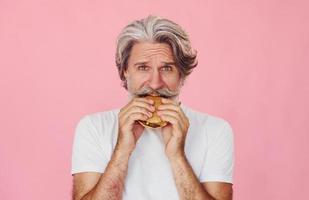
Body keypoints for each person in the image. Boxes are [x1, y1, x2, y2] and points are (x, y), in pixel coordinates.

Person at [71, 15, 234, 200]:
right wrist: (122, 150)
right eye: (143, 67)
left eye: (167, 68)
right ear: (125, 71)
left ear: (181, 75)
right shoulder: (93, 127)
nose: (155, 84)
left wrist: (177, 156)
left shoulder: (215, 130)